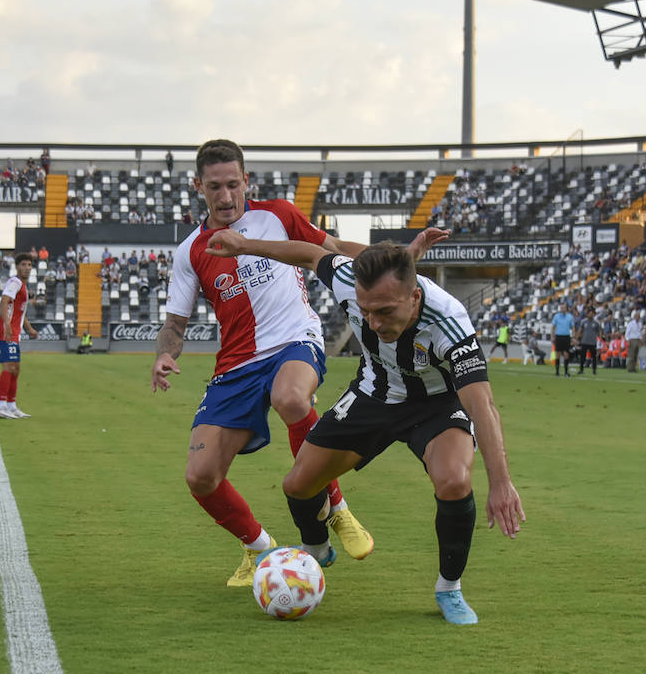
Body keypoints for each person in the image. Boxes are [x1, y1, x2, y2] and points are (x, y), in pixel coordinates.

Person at [205, 235, 523, 625]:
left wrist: (501, 482)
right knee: (297, 485)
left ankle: (449, 589)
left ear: (415, 300)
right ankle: (318, 548)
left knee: (455, 481)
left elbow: (482, 404)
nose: (373, 323)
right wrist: (244, 245)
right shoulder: (347, 280)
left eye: (385, 312)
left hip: (436, 406)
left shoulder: (451, 324)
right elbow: (308, 253)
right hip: (374, 394)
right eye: (366, 311)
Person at [151, 138, 408, 587]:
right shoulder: (190, 251)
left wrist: (398, 262)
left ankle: (337, 509)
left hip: (295, 340)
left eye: (233, 184)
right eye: (215, 187)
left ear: (246, 180)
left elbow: (330, 247)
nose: (226, 196)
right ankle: (259, 548)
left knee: (290, 396)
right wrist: (164, 356)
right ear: (198, 186)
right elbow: (176, 320)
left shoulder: (278, 216)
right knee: (201, 476)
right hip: (236, 364)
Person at [0, 252, 40, 418]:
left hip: (15, 333)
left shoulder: (23, 286)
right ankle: (1, 406)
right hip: (6, 332)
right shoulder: (15, 282)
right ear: (17, 266)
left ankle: (11, 406)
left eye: (29, 265)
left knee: (16, 369)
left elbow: (20, 312)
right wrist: (7, 325)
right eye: (23, 265)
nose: (27, 268)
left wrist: (29, 329)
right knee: (9, 367)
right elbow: (4, 301)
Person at [551, 303, 575, 377]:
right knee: (557, 354)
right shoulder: (556, 316)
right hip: (558, 336)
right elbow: (553, 327)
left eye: (564, 308)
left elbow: (573, 327)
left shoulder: (570, 317)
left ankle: (566, 372)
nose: (562, 309)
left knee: (566, 354)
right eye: (561, 308)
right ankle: (557, 371)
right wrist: (552, 336)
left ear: (566, 308)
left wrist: (573, 337)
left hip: (566, 337)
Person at [577, 309, 602, 375]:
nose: (591, 315)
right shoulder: (583, 322)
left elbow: (599, 331)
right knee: (583, 356)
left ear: (594, 314)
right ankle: (581, 369)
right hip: (584, 341)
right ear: (587, 314)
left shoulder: (596, 323)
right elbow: (580, 330)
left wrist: (600, 338)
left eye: (592, 313)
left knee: (594, 357)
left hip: (592, 342)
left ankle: (594, 370)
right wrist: (577, 338)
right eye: (589, 313)